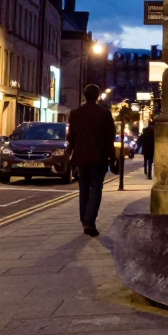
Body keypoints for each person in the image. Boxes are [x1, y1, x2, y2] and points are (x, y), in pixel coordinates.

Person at [67, 83, 115, 236]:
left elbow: (71, 138)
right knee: (96, 190)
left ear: (84, 95)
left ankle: (84, 220)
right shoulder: (104, 114)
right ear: (98, 96)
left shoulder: (75, 114)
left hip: (81, 158)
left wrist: (70, 155)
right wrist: (113, 157)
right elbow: (109, 139)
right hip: (98, 158)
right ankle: (89, 222)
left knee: (84, 190)